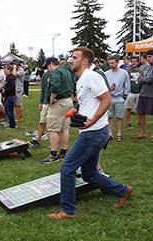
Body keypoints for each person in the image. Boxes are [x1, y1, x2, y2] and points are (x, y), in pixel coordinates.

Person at [48, 46, 132, 220]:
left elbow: (106, 100)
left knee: (67, 167)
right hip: (93, 132)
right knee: (89, 173)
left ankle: (68, 210)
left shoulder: (91, 76)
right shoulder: (81, 78)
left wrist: (92, 120)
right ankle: (122, 190)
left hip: (93, 132)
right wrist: (79, 112)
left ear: (84, 61)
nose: (70, 60)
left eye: (74, 57)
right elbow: (92, 102)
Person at [41, 57, 74, 164]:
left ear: (51, 64)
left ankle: (53, 154)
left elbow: (55, 86)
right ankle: (63, 152)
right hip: (68, 100)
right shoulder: (66, 71)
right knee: (65, 128)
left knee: (53, 128)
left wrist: (51, 99)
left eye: (47, 67)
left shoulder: (56, 72)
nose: (47, 69)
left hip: (59, 102)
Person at [105, 55, 130, 142]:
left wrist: (124, 95)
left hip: (119, 97)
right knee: (109, 116)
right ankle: (110, 134)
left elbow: (127, 85)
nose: (111, 65)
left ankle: (119, 134)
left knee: (120, 117)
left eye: (113, 63)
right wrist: (109, 88)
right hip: (109, 97)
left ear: (117, 62)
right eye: (110, 63)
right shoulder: (106, 74)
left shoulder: (124, 73)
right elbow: (103, 86)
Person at [132, 49, 153, 142]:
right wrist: (145, 80)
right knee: (140, 113)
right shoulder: (146, 68)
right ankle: (142, 133)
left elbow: (150, 79)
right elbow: (139, 80)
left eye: (150, 57)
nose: (148, 59)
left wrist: (144, 80)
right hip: (143, 93)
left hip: (151, 94)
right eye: (147, 57)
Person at [29, 70, 50, 148]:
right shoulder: (46, 75)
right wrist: (41, 102)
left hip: (55, 103)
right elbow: (43, 89)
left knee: (53, 125)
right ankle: (37, 141)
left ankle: (53, 144)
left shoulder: (59, 73)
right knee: (42, 122)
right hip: (45, 102)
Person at [125, 56, 141, 129]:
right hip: (131, 92)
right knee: (128, 108)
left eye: (135, 61)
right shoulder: (128, 70)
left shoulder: (140, 70)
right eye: (133, 61)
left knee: (139, 108)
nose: (134, 63)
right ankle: (128, 123)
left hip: (139, 91)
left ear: (137, 62)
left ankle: (140, 121)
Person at [1, 65, 17, 129]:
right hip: (8, 96)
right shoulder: (7, 78)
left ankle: (12, 125)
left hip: (11, 96)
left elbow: (12, 87)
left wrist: (5, 90)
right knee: (7, 111)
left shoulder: (11, 78)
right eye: (4, 69)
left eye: (5, 69)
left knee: (10, 111)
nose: (4, 71)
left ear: (9, 70)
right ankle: (11, 123)